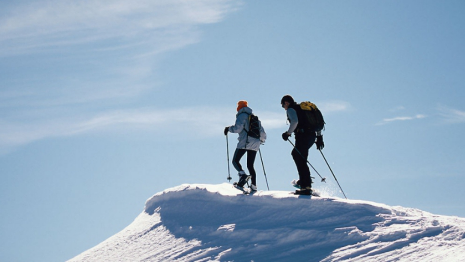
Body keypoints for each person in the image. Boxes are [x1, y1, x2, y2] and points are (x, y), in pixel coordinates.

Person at [281, 95, 324, 195]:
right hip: (311, 136)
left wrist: (288, 133)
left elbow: (295, 121)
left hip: (303, 136)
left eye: (283, 105)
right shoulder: (302, 109)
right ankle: (304, 181)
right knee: (301, 157)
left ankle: (306, 185)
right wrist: (319, 137)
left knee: (297, 155)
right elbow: (315, 123)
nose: (283, 107)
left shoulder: (291, 109)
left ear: (286, 102)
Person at [224, 100, 266, 191]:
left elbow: (237, 129)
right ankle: (254, 185)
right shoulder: (254, 117)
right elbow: (262, 132)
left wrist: (228, 129)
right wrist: (261, 141)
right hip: (255, 143)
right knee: (250, 165)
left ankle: (242, 175)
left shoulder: (242, 116)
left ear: (238, 108)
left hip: (245, 142)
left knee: (235, 160)